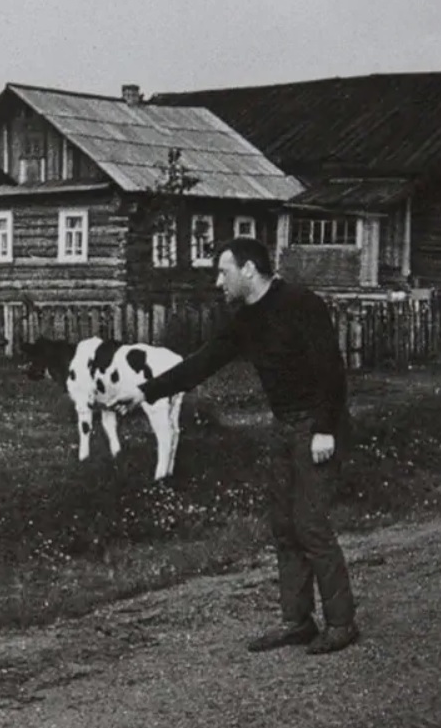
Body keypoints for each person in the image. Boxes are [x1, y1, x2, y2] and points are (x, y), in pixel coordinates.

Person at [112, 236, 359, 655]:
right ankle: (297, 621)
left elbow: (331, 371)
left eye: (223, 271)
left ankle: (342, 623)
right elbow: (203, 361)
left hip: (316, 427)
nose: (217, 281)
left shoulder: (302, 304)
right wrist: (145, 391)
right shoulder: (245, 320)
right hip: (284, 428)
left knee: (310, 524)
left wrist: (324, 430)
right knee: (283, 525)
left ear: (248, 269)